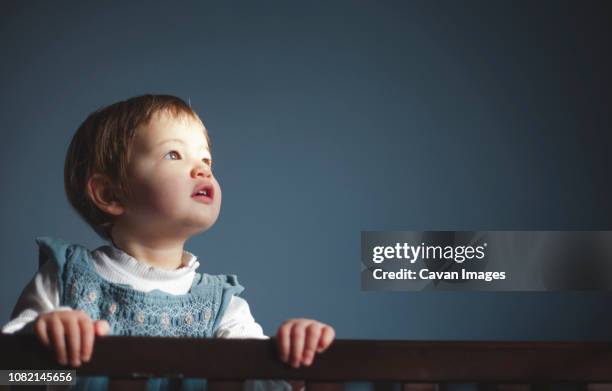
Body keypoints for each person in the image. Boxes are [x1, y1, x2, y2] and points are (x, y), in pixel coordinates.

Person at [2, 94, 335, 390]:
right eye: (174, 155)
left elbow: (262, 382)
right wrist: (42, 340)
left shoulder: (223, 307)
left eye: (206, 161)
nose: (202, 171)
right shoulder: (64, 280)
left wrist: (295, 357)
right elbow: (9, 377)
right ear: (109, 193)